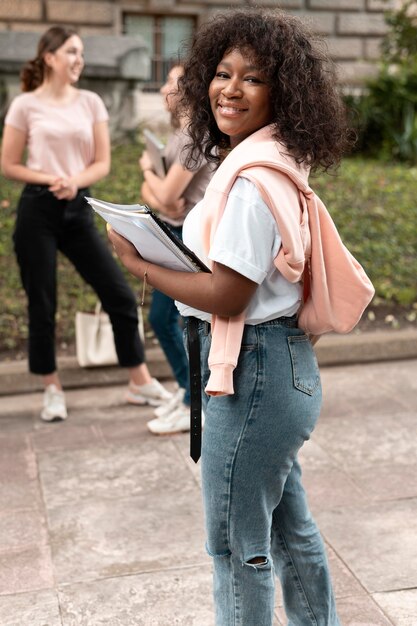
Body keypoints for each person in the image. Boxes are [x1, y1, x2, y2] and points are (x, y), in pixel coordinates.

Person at [108, 8, 373, 625]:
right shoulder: (269, 161)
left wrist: (142, 264)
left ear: (283, 90)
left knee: (235, 548)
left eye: (252, 78)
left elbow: (229, 294)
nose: (231, 88)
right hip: (276, 371)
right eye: (222, 73)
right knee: (289, 531)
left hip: (253, 375)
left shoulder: (252, 180)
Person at [0, 25, 172, 422]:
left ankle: (139, 382)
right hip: (37, 211)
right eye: (72, 52)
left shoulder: (91, 102)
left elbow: (102, 162)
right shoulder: (25, 105)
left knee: (120, 295)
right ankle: (51, 388)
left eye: (81, 53)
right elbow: (9, 164)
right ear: (50, 58)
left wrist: (74, 182)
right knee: (42, 302)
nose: (80, 60)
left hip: (78, 208)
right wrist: (51, 180)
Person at [139, 64, 214, 435]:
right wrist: (154, 187)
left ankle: (192, 400)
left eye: (173, 80)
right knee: (166, 320)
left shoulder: (194, 136)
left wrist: (146, 173)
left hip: (188, 237)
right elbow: (158, 200)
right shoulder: (179, 133)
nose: (166, 85)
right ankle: (188, 391)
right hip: (172, 228)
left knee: (180, 322)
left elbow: (168, 196)